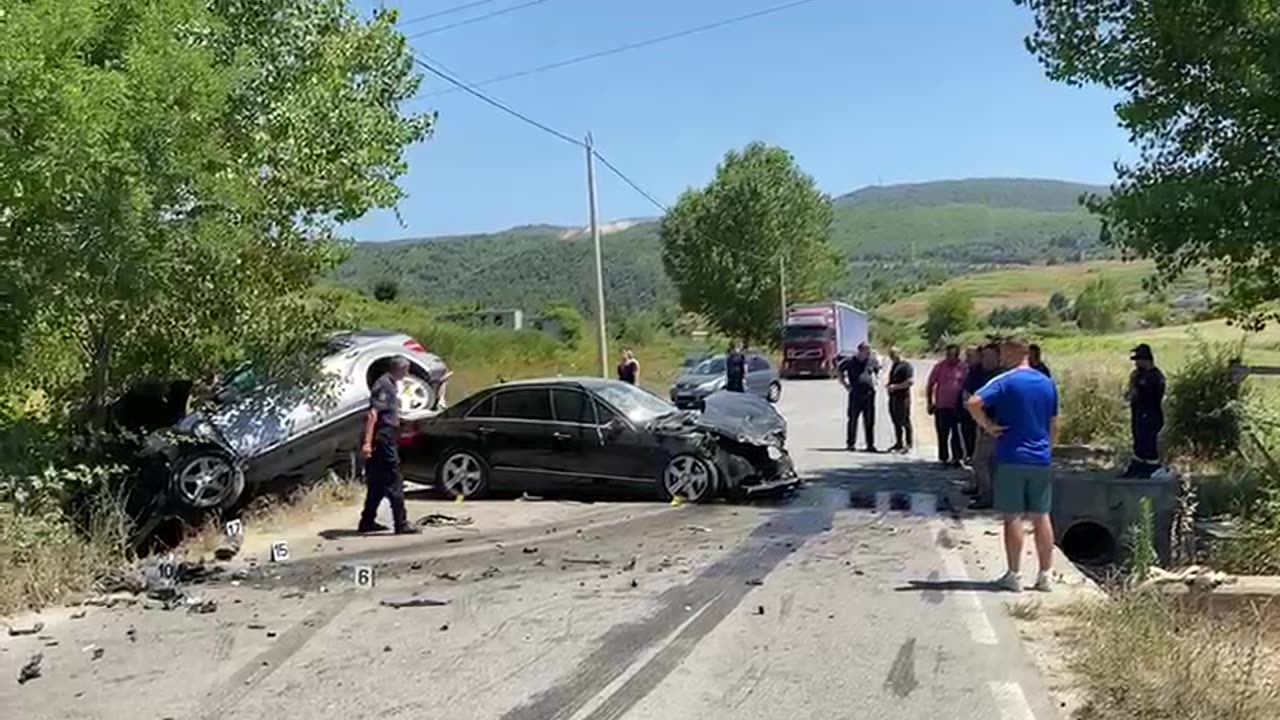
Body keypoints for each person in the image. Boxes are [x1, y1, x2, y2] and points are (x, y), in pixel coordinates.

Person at [967, 336, 1059, 593]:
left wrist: (988, 426)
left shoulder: (1005, 381)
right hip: (1040, 458)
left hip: (1011, 456)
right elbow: (1054, 423)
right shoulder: (1047, 383)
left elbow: (973, 402)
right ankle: (1045, 575)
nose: (1001, 358)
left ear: (1011, 353)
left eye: (1004, 353)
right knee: (1042, 516)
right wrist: (1047, 450)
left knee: (1013, 516)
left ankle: (1014, 575)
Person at [358, 357, 420, 535]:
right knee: (395, 480)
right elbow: (372, 415)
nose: (407, 374)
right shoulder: (384, 385)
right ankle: (401, 523)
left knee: (377, 483)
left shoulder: (390, 384)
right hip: (383, 439)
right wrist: (368, 443)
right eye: (406, 370)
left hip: (387, 435)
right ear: (400, 369)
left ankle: (367, 521)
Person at [1122, 343, 1166, 478]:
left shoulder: (1156, 377)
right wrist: (1132, 382)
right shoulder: (1138, 375)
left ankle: (1152, 470)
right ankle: (1138, 468)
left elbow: (1152, 396)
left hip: (1151, 415)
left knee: (1148, 444)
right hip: (1138, 414)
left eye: (1138, 360)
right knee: (1139, 443)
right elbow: (1129, 395)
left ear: (1145, 359)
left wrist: (1136, 387)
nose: (1136, 364)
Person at [966, 344, 1001, 508]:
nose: (985, 360)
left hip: (994, 422)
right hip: (983, 421)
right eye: (984, 356)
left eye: (989, 356)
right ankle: (985, 492)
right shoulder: (981, 372)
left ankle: (987, 495)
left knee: (980, 461)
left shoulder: (1000, 376)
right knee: (986, 461)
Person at [926, 344, 968, 466]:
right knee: (942, 432)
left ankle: (957, 457)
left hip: (957, 406)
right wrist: (930, 402)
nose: (951, 357)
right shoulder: (939, 367)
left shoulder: (964, 367)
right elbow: (930, 385)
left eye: (954, 354)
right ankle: (943, 457)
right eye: (949, 354)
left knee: (956, 433)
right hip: (941, 406)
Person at [838, 342, 881, 452]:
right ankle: (851, 443)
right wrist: (845, 384)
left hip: (869, 394)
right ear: (860, 351)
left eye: (869, 352)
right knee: (853, 419)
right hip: (855, 394)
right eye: (866, 351)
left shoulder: (871, 360)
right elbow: (839, 370)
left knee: (869, 420)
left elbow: (878, 371)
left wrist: (877, 381)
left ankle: (870, 445)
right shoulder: (850, 361)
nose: (868, 354)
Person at [886, 347, 914, 453]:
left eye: (894, 354)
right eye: (890, 355)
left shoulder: (906, 366)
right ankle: (898, 443)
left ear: (899, 353)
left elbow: (910, 382)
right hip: (893, 397)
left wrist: (895, 387)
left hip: (903, 397)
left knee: (904, 420)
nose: (892, 356)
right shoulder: (895, 365)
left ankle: (908, 443)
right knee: (895, 420)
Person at [959, 346, 983, 460]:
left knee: (974, 436)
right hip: (964, 410)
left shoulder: (980, 371)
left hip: (976, 410)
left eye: (970, 356)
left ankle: (972, 455)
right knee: (966, 433)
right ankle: (968, 455)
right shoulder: (968, 369)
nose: (967, 359)